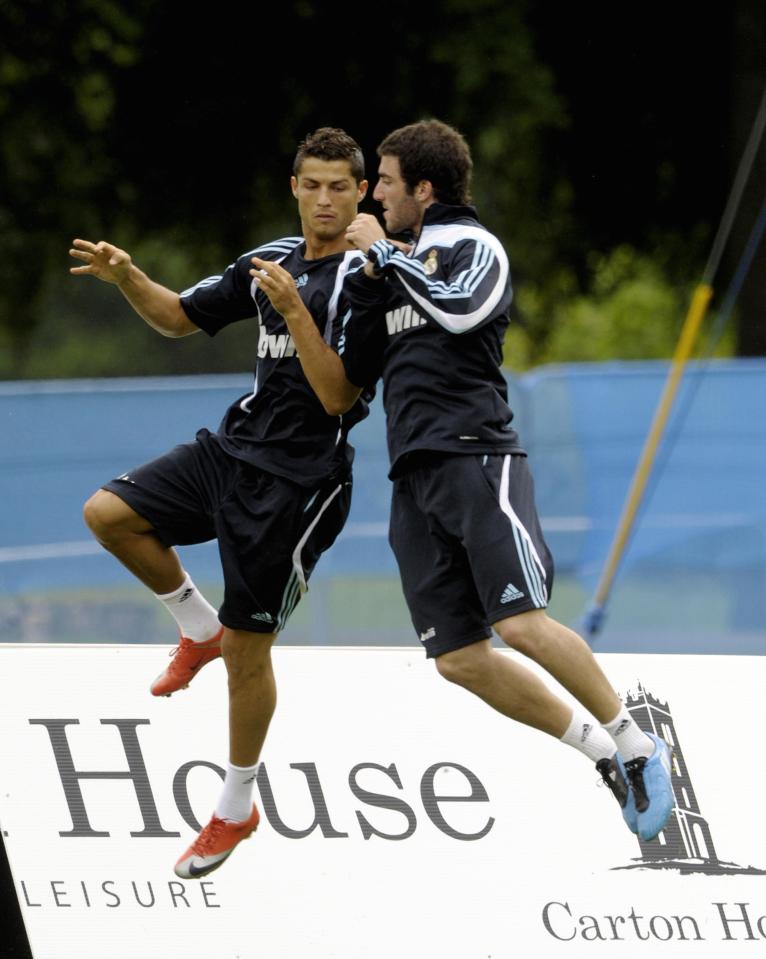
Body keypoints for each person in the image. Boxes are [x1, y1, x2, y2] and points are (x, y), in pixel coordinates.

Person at [273, 118, 674, 844]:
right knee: (458, 657)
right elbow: (347, 383)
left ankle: (639, 744)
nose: (374, 198)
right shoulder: (383, 264)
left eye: (385, 184)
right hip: (412, 476)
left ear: (423, 188)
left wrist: (386, 261)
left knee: (521, 621)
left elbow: (460, 310)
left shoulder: (470, 245)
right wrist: (309, 309)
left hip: (477, 457)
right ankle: (599, 753)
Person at [69, 127, 374, 876]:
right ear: (295, 187)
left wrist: (298, 311)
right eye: (314, 185)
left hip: (301, 483)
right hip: (233, 451)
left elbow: (339, 394)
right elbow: (178, 316)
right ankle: (194, 626)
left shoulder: (373, 280)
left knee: (250, 650)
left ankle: (235, 807)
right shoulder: (270, 259)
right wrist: (129, 277)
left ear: (362, 193)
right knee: (108, 514)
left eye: (342, 186)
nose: (326, 199)